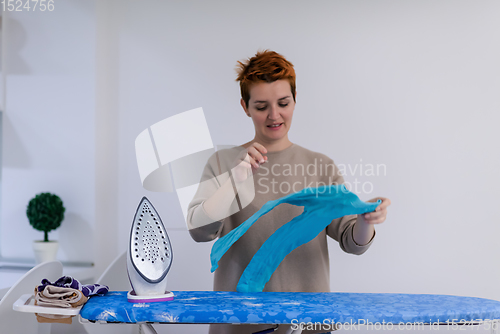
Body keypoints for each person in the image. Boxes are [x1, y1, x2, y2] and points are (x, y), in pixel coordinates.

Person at [187, 50, 391, 334]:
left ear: (295, 100)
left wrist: (365, 221)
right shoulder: (222, 164)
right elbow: (200, 231)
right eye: (261, 106)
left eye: (283, 103)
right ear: (245, 106)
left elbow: (352, 242)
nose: (274, 115)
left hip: (310, 325)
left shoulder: (320, 166)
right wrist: (235, 179)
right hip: (239, 326)